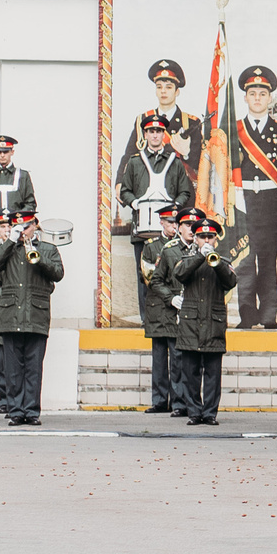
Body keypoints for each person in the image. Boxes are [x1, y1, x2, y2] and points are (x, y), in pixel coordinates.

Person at [0, 210, 64, 425]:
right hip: (10, 315)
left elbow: (58, 273)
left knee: (33, 367)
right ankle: (15, 411)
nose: (23, 231)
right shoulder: (6, 250)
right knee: (13, 368)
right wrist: (11, 241)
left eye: (26, 226)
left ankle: (32, 411)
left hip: (36, 314)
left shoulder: (48, 249)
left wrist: (38, 256)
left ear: (35, 225)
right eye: (19, 227)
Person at [228, 67, 277, 328]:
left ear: (270, 98)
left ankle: (269, 315)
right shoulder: (234, 130)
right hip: (243, 202)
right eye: (252, 93)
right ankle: (247, 314)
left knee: (268, 260)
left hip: (270, 203)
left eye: (262, 93)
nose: (257, 98)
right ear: (245, 97)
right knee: (245, 260)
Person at [171, 218, 237, 425]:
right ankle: (194, 412)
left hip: (213, 324)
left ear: (216, 239)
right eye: (202, 236)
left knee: (212, 374)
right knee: (189, 372)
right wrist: (200, 256)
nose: (206, 240)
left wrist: (215, 262)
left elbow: (231, 281)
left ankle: (209, 413)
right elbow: (179, 274)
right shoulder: (187, 259)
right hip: (191, 324)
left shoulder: (223, 261)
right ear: (196, 239)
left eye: (210, 236)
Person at [139, 215, 193, 417]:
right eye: (170, 222)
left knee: (178, 358)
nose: (172, 226)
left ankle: (179, 402)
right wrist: (169, 296)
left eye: (174, 222)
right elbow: (148, 276)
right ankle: (160, 400)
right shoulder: (153, 246)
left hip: (177, 310)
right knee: (159, 358)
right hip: (158, 306)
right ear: (162, 222)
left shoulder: (188, 247)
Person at [122, 58, 205, 188]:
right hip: (148, 189)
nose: (163, 91)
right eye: (159, 87)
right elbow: (129, 156)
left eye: (169, 87)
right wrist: (120, 183)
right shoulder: (143, 120)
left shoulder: (191, 123)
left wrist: (187, 153)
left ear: (177, 91)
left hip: (181, 191)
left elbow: (201, 166)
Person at [116, 111, 196, 242]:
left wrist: (175, 206)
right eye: (151, 131)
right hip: (141, 229)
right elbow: (125, 191)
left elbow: (185, 192)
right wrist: (135, 203)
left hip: (169, 231)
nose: (155, 135)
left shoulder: (175, 163)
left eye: (158, 131)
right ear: (145, 134)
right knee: (141, 263)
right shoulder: (134, 162)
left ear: (163, 134)